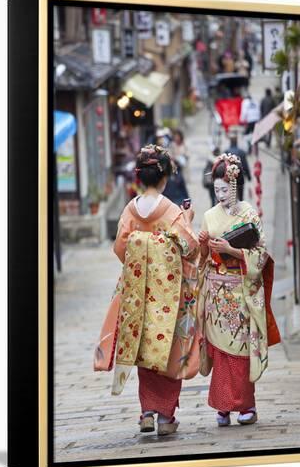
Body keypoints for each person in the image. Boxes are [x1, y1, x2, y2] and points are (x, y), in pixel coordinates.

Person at [103, 144, 200, 435]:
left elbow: (121, 248)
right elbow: (191, 248)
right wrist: (188, 221)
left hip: (138, 292)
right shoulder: (171, 210)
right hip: (169, 294)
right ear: (164, 178)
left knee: (144, 347)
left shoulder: (130, 209)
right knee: (169, 348)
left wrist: (141, 257)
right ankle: (166, 417)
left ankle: (146, 411)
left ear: (140, 178)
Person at [197, 153, 280, 427]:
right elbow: (201, 258)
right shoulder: (209, 216)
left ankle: (246, 405)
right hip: (217, 292)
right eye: (216, 189)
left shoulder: (248, 213)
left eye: (224, 189)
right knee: (221, 352)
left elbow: (260, 253)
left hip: (241, 290)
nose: (220, 194)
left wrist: (231, 250)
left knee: (241, 351)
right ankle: (222, 408)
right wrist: (202, 244)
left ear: (234, 185)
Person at [225, 133, 251, 199]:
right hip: (240, 177)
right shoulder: (241, 152)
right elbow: (245, 165)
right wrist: (249, 177)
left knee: (230, 197)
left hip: (229, 178)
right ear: (237, 142)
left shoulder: (226, 152)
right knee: (240, 197)